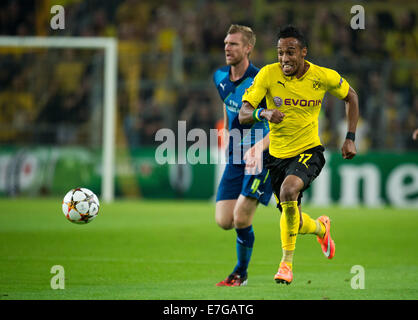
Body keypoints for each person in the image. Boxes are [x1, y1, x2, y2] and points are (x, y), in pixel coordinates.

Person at [239, 25, 359, 285]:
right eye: (280, 53)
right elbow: (243, 114)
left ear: (304, 52)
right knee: (291, 217)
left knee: (288, 191)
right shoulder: (268, 76)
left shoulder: (322, 76)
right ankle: (320, 227)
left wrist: (350, 137)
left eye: (290, 52)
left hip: (308, 151)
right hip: (277, 157)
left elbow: (351, 96)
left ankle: (286, 265)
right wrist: (264, 113)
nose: (284, 59)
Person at [213, 24, 272, 287]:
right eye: (226, 43)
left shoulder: (262, 81)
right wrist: (227, 135)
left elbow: (279, 125)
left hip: (261, 157)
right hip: (235, 157)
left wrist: (260, 148)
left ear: (248, 48)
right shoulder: (219, 77)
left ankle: (241, 274)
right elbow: (228, 107)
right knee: (224, 221)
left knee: (241, 217)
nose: (228, 47)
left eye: (234, 44)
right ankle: (317, 226)